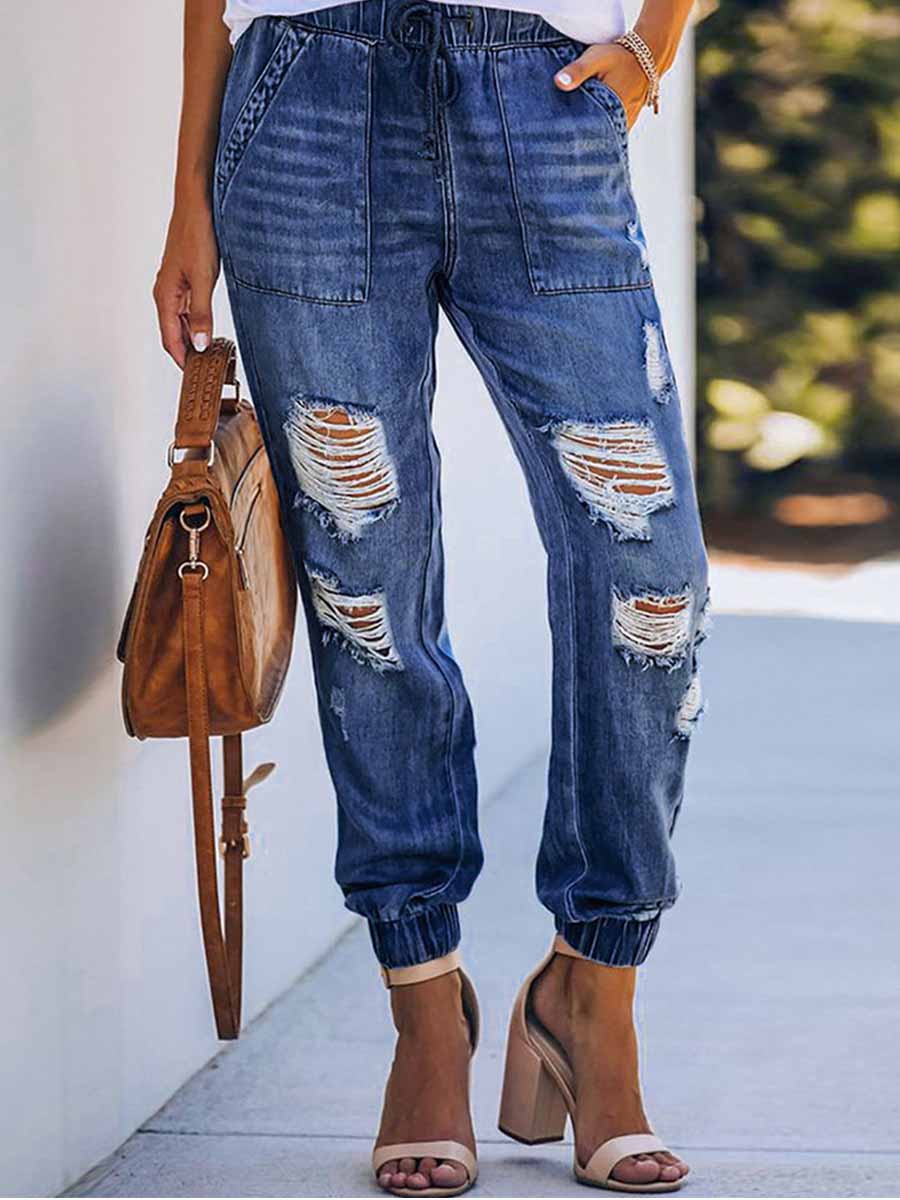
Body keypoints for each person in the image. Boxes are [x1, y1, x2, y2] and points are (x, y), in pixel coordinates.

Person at [154, 1, 706, 1193]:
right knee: (365, 589)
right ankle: (424, 1012)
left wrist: (655, 42)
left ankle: (593, 993)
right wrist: (188, 191)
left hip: (543, 100)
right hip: (305, 107)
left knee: (648, 574)